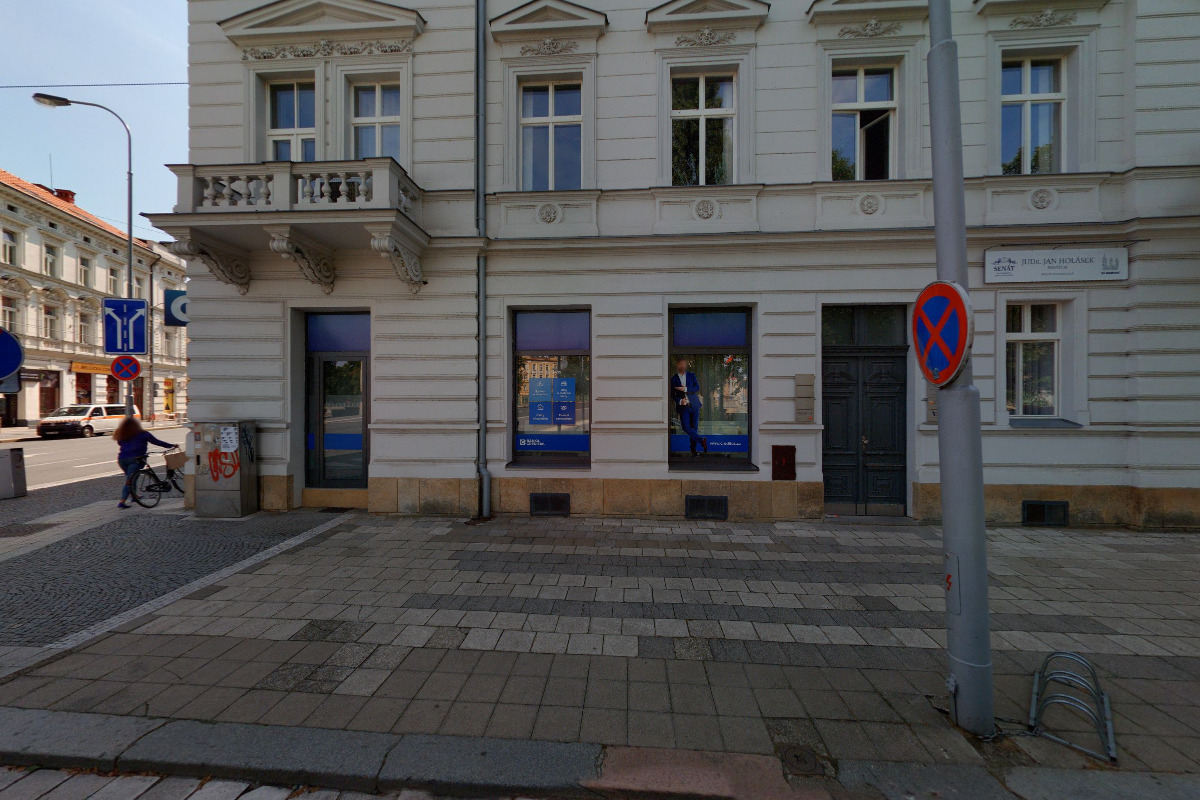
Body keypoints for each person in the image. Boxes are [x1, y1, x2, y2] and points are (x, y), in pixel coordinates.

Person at [113, 417, 176, 509]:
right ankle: (122, 502)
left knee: (131, 478)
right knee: (130, 480)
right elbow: (157, 442)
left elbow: (121, 444)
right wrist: (171, 446)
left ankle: (134, 496)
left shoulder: (122, 434)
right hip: (136, 459)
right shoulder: (143, 434)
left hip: (122, 460)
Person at [670, 358, 708, 455]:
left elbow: (697, 387)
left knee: (694, 429)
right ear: (677, 365)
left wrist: (686, 389)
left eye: (684, 364)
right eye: (681, 364)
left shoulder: (691, 375)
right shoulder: (673, 379)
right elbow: (672, 395)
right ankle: (702, 440)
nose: (683, 366)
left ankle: (693, 450)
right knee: (686, 428)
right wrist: (680, 401)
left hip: (694, 405)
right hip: (684, 407)